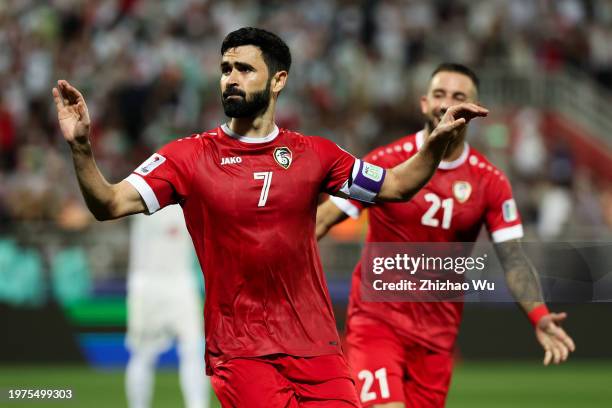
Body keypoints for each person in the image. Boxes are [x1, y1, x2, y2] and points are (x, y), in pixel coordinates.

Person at [52, 27, 487, 407]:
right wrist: (81, 148)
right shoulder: (186, 157)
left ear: (278, 80)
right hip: (241, 352)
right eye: (226, 69)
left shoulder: (317, 155)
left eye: (245, 69)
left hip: (317, 349)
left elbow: (396, 186)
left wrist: (434, 144)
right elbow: (108, 204)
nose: (231, 79)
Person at [316, 63, 576, 408]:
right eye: (439, 95)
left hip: (437, 337)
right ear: (424, 103)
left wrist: (539, 315)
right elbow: (323, 219)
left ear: (475, 110)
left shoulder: (490, 181)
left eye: (459, 96)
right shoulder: (385, 162)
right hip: (377, 323)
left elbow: (513, 259)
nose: (447, 104)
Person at [125, 204, 210, 408]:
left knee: (194, 349)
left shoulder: (190, 196)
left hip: (181, 280)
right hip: (147, 282)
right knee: (143, 353)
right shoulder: (142, 187)